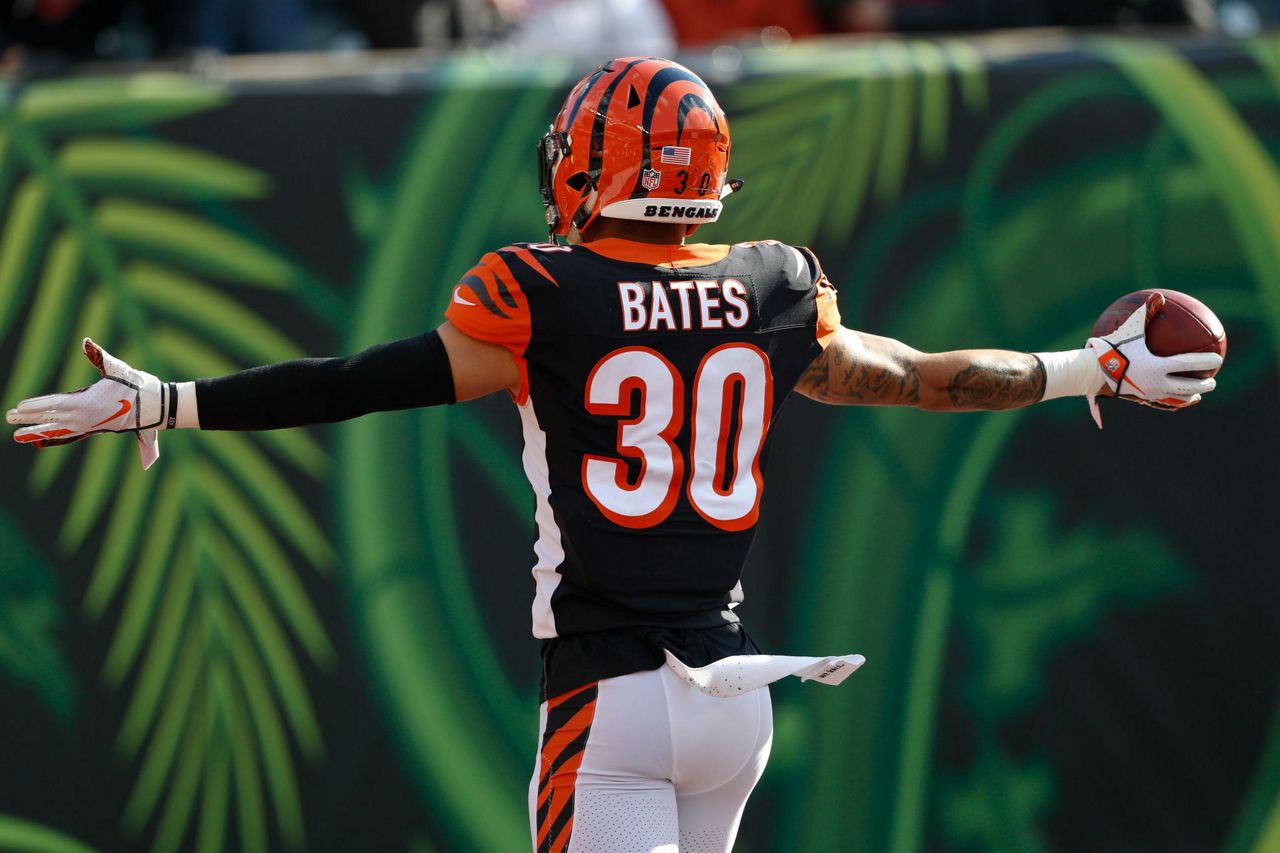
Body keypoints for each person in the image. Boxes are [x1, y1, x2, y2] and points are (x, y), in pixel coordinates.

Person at [6, 57, 1220, 853]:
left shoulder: (540, 291)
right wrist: (1081, 370)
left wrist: (167, 403)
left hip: (612, 702)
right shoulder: (775, 285)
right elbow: (913, 377)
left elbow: (363, 383)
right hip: (735, 700)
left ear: (593, 166)